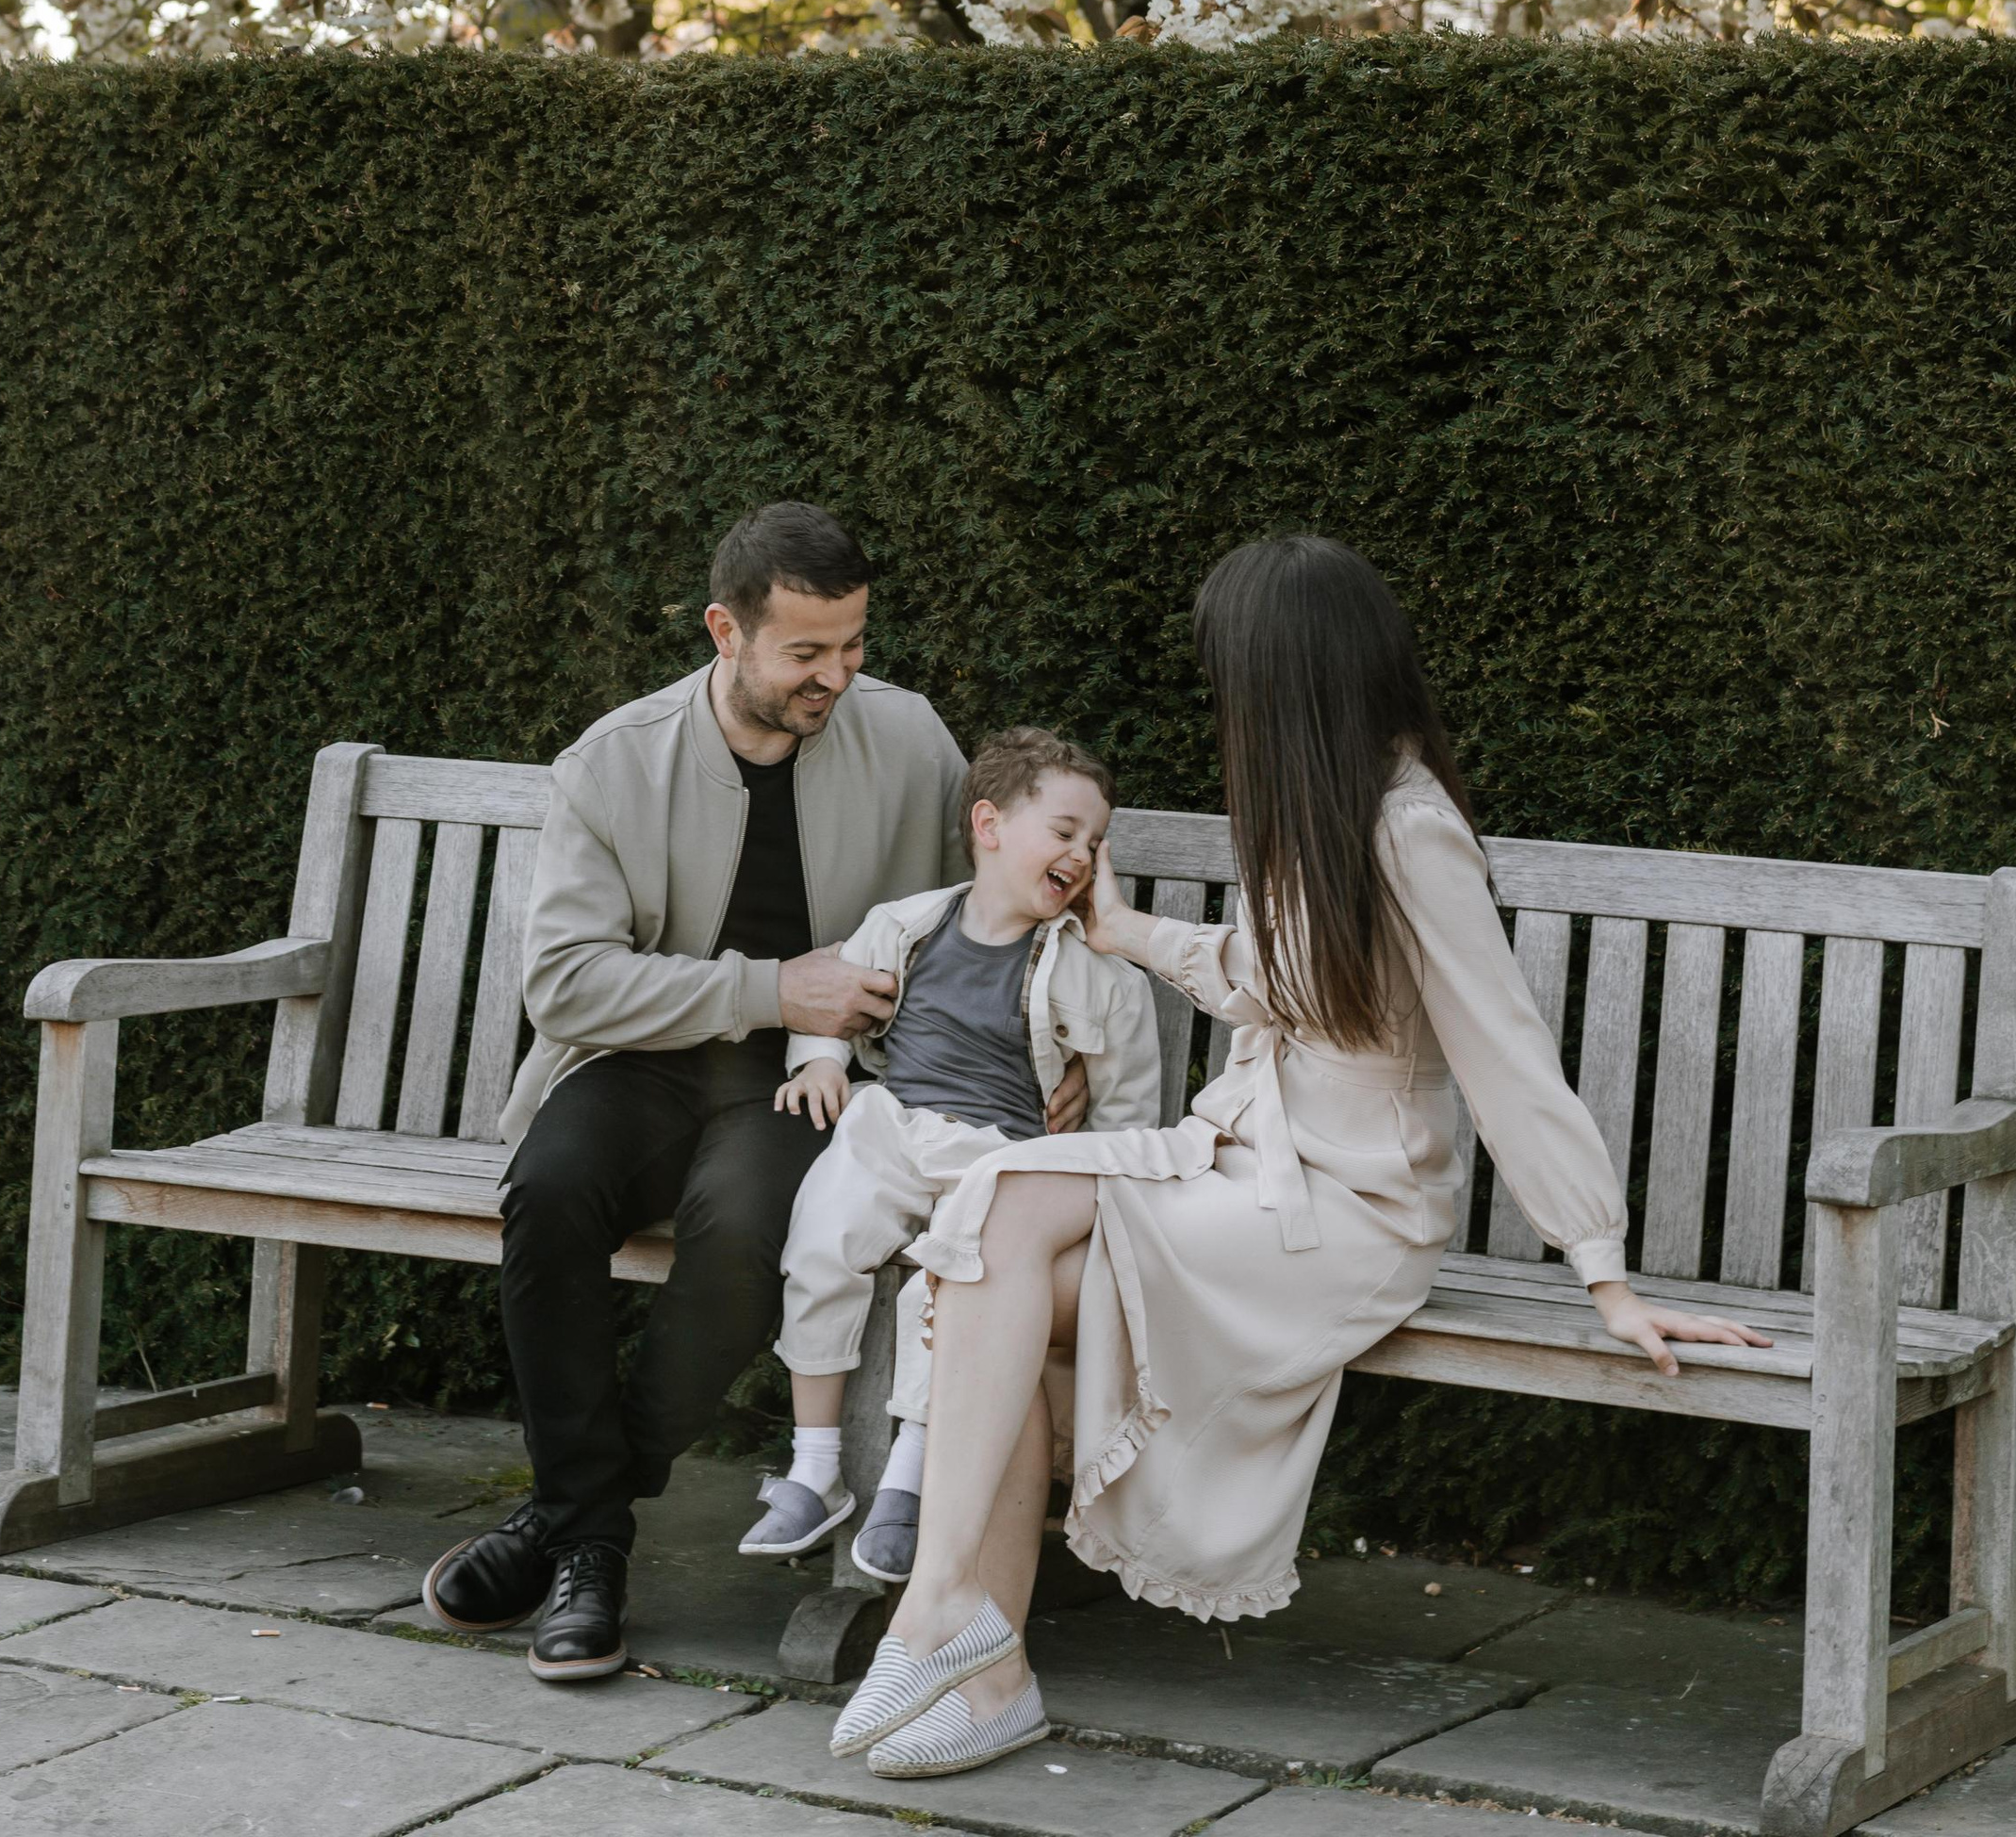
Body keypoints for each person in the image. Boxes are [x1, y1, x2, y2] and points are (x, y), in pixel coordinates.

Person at [827, 534, 1778, 1784]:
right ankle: (968, 1641)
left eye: (1235, 676)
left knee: (981, 1272)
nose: (1226, 703)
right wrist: (1122, 932)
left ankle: (948, 1625)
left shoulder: (1409, 828)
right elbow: (1282, 984)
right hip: (1250, 1168)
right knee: (992, 1223)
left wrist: (1600, 1261)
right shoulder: (1323, 808)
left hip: (1349, 1215)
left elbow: (1503, 1044)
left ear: (1291, 680)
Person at [422, 500, 971, 1682]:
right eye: (806, 652)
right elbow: (566, 985)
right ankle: (592, 1534)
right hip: (640, 1060)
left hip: (814, 1089)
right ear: (727, 630)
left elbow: (978, 928)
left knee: (742, 1231)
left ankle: (575, 1534)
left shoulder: (914, 743)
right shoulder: (614, 760)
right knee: (550, 1191)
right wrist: (776, 989)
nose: (838, 675)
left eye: (855, 644)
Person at [741, 726, 1163, 1584]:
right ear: (989, 823)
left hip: (1005, 1163)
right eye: (1064, 830)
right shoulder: (906, 926)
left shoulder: (1103, 980)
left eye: (1093, 840)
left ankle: (910, 1478)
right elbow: (827, 1008)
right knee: (823, 1233)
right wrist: (821, 1061)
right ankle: (814, 1464)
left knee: (954, 1277)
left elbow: (1129, 1121)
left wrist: (1084, 1159)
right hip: (894, 1125)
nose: (1081, 854)